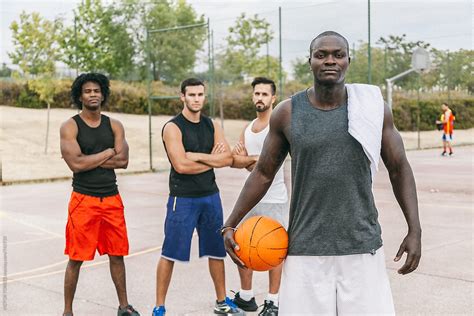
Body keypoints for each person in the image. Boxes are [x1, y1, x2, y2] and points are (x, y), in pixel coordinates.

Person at [221, 31, 422, 315]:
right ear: (310, 61)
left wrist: (415, 229)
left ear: (348, 61)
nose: (330, 61)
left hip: (361, 245)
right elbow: (263, 173)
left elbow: (399, 168)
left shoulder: (373, 108)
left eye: (338, 55)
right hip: (306, 248)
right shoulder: (287, 112)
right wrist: (230, 223)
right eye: (321, 55)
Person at [152, 78, 244, 316]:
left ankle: (222, 302)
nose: (196, 99)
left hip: (210, 197)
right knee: (169, 253)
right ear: (182, 97)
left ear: (205, 96)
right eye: (191, 95)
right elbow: (181, 166)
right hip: (182, 199)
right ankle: (159, 307)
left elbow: (227, 159)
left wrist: (195, 155)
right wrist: (210, 159)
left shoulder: (212, 125)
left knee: (216, 251)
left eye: (200, 95)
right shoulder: (172, 127)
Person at [60, 73, 139, 316]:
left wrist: (90, 158)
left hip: (112, 199)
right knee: (76, 258)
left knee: (117, 255)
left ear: (103, 93)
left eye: (97, 90)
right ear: (80, 96)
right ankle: (68, 311)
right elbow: (76, 165)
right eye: (87, 91)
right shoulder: (70, 126)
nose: (93, 94)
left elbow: (123, 160)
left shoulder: (115, 125)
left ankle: (124, 307)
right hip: (83, 200)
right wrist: (107, 152)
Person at [230, 77, 289, 315]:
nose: (260, 98)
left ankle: (273, 301)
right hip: (252, 198)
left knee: (275, 248)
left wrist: (249, 160)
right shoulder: (249, 127)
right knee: (242, 246)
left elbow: (269, 164)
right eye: (257, 94)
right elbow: (244, 165)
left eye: (265, 94)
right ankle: (246, 297)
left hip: (274, 199)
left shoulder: (278, 125)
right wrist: (251, 161)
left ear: (273, 98)